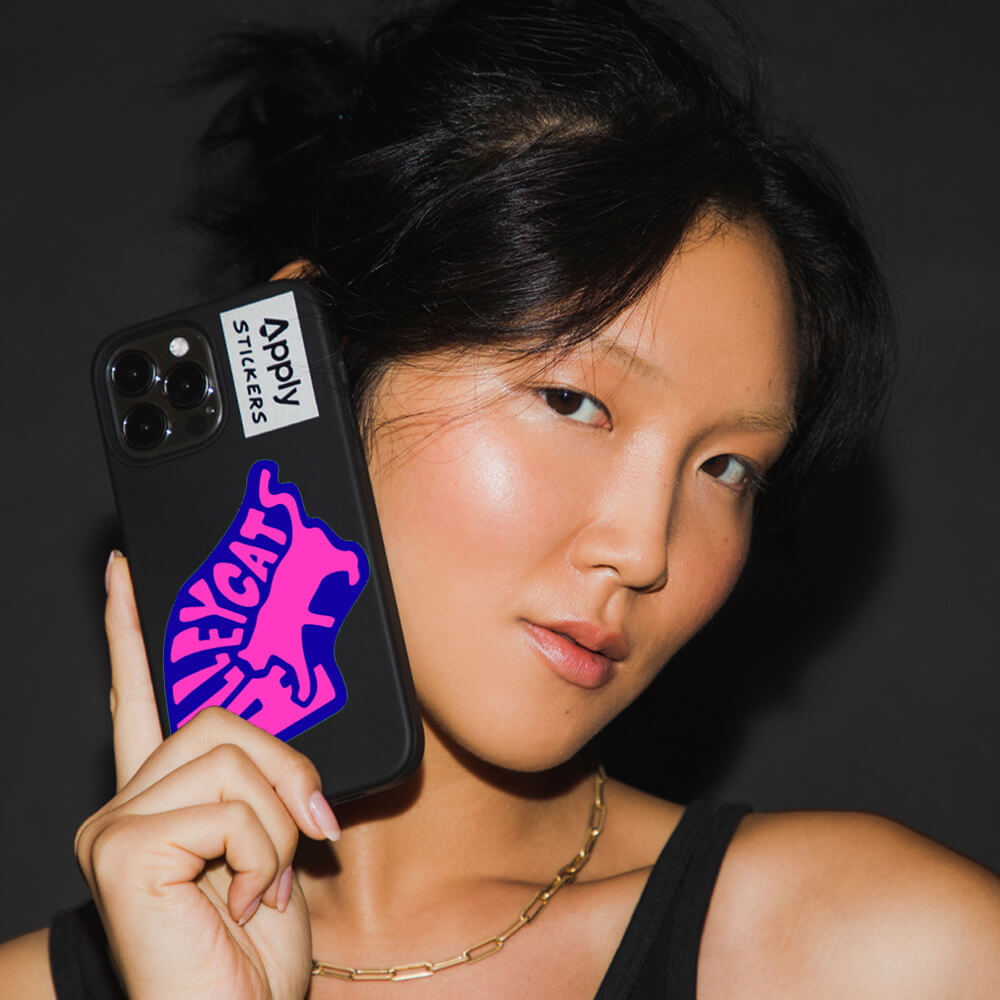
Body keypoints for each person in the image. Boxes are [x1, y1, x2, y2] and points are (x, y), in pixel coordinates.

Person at [3, 0, 999, 996]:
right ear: (312, 365)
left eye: (727, 468)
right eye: (571, 401)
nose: (645, 551)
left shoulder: (886, 954)